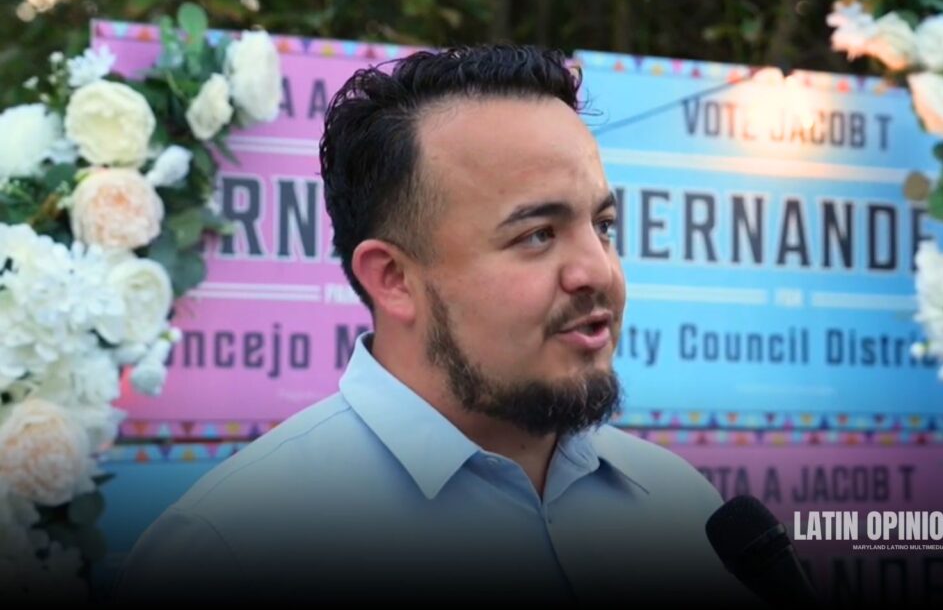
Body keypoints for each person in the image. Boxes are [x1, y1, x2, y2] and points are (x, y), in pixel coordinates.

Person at [115, 45, 748, 604]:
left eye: (603, 226)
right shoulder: (233, 550)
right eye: (536, 234)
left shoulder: (682, 509)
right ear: (393, 278)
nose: (598, 271)